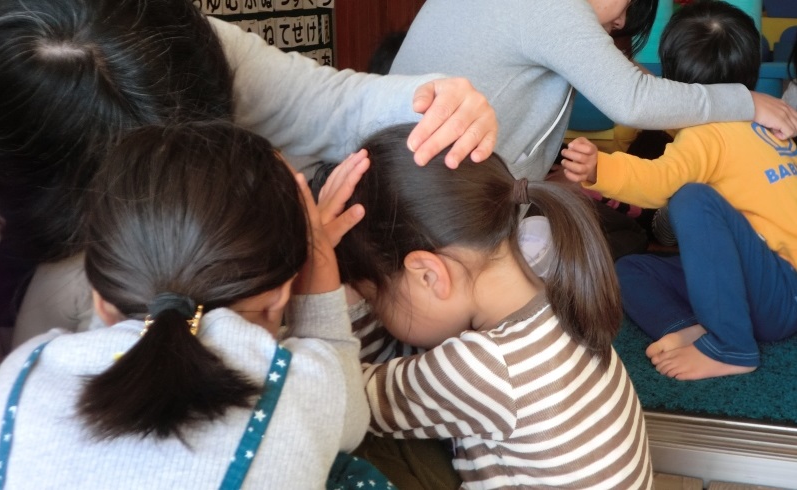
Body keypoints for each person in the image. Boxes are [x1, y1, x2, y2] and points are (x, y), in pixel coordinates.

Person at [0, 0, 498, 352]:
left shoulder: (170, 44)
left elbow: (334, 103)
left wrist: (437, 102)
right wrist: (322, 300)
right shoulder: (59, 300)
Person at [0, 120, 383, 488]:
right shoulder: (300, 383)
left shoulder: (23, 370)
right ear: (282, 294)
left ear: (100, 297)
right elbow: (350, 419)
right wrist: (319, 277)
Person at [334, 123, 653, 488]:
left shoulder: (482, 367)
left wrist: (331, 293)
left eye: (373, 300)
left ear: (429, 276)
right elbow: (411, 349)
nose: (374, 313)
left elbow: (345, 398)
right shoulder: (551, 283)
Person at [560, 0, 797, 381]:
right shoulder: (764, 125)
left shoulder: (706, 136)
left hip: (780, 295)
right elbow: (672, 118)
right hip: (769, 284)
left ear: (673, 77)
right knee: (631, 270)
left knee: (691, 198)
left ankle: (732, 346)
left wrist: (600, 167)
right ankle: (690, 327)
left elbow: (659, 182)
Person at [389, 0, 797, 182]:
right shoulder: (555, 8)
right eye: (627, 7)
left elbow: (622, 79)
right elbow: (633, 100)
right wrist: (745, 101)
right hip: (437, 191)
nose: (620, 23)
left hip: (406, 173)